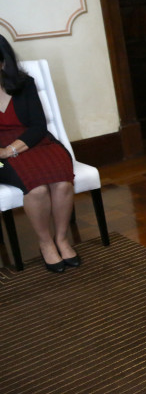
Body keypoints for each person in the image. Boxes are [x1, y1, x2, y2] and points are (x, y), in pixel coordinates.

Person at [0, 35, 80, 273]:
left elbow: (38, 126)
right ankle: (45, 243)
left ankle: (62, 239)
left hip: (34, 141)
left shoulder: (24, 83)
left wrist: (10, 149)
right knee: (37, 190)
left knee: (62, 183)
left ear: (3, 63)